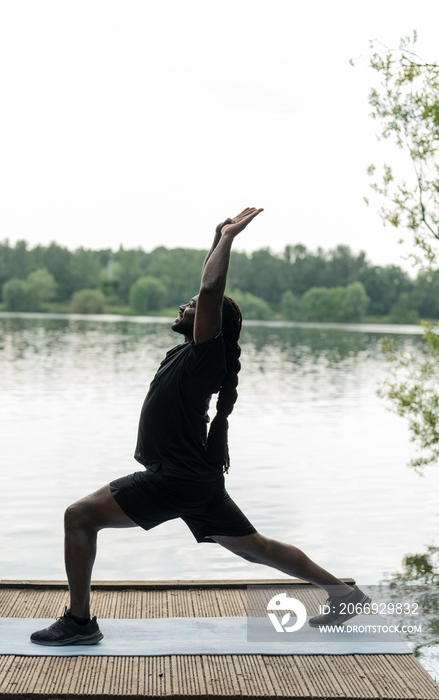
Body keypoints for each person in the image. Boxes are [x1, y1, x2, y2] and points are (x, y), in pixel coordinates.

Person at [30, 207, 370, 646]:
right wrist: (215, 239)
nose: (184, 305)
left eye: (192, 307)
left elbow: (211, 289)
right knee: (257, 548)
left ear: (210, 323)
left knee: (79, 517)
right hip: (196, 481)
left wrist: (229, 239)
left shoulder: (206, 358)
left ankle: (79, 622)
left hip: (173, 479)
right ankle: (346, 595)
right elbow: (206, 290)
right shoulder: (192, 354)